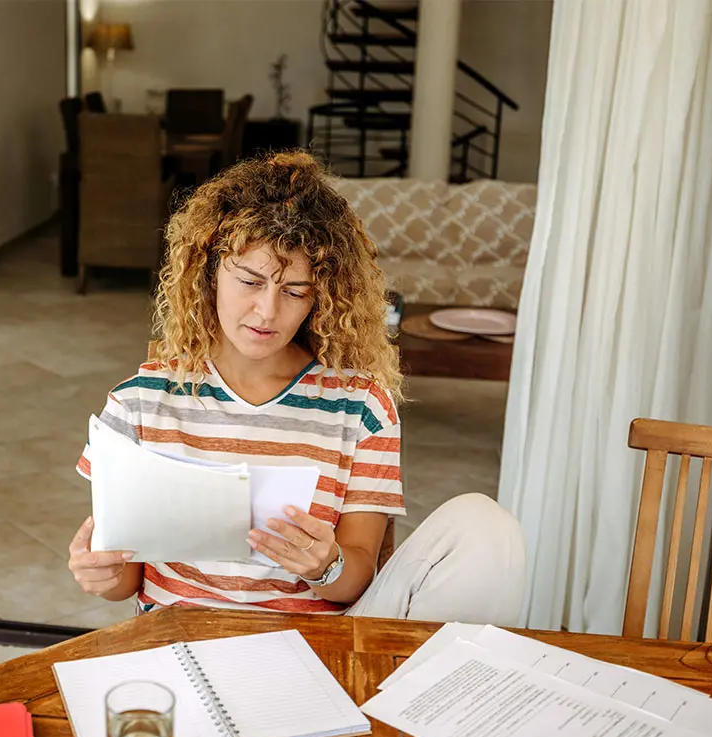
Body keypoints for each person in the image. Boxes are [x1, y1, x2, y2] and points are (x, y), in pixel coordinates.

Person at [67, 152, 525, 624]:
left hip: (314, 644)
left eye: (294, 291)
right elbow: (126, 580)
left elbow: (358, 577)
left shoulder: (361, 406)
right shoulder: (140, 401)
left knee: (487, 525)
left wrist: (325, 566)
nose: (267, 312)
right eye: (249, 280)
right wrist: (102, 573)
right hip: (182, 637)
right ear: (208, 273)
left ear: (320, 297)